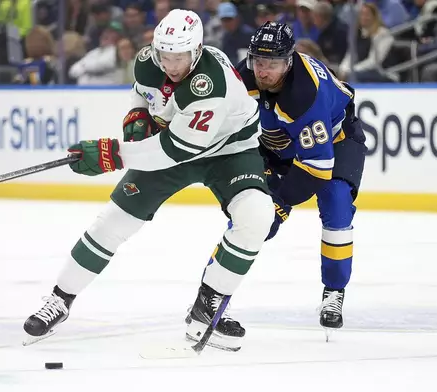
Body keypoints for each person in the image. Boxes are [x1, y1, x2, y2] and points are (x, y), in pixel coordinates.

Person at [23, 9, 275, 352]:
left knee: (258, 215)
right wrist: (138, 113)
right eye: (165, 55)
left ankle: (209, 306)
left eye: (180, 57)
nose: (171, 65)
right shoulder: (147, 61)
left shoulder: (210, 84)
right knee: (113, 221)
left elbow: (175, 150)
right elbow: (142, 90)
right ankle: (59, 299)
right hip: (175, 142)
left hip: (230, 151)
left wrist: (113, 153)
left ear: (197, 51)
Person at [234, 22, 367, 336]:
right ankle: (215, 292)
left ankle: (334, 292)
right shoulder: (244, 76)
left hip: (335, 141)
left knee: (336, 205)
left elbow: (315, 167)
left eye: (274, 64)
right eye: (259, 62)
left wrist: (281, 201)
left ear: (289, 61)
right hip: (280, 142)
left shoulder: (305, 94)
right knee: (253, 218)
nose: (264, 71)